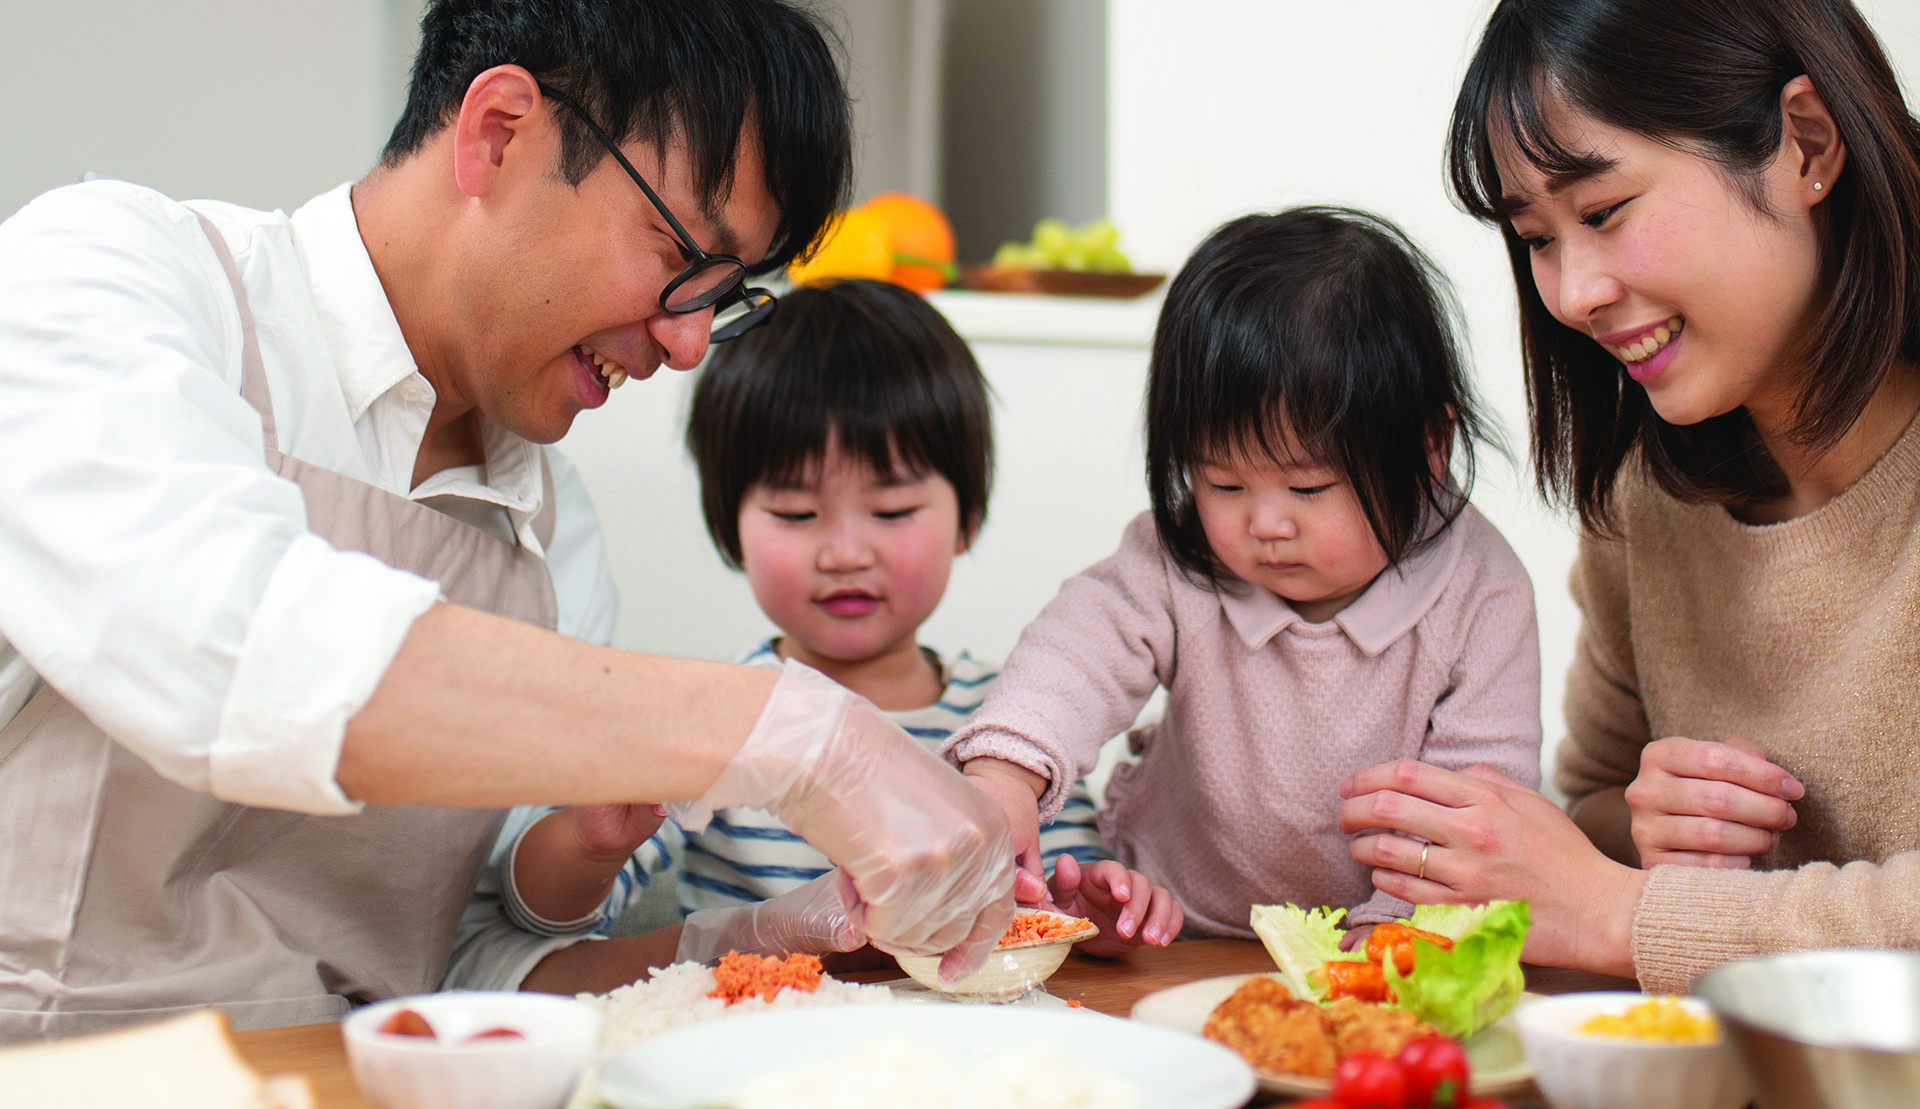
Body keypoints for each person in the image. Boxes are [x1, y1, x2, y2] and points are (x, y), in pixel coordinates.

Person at [0, 0, 1017, 1038]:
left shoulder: (552, 533)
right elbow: (233, 645)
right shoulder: (111, 276)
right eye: (683, 255)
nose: (689, 345)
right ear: (498, 132)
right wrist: (796, 733)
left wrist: (762, 939)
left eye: (725, 294)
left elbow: (461, 964)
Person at [1337, 0, 1920, 994]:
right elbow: (1598, 793)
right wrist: (1646, 828)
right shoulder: (1651, 494)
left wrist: (1628, 912)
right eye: (1536, 237)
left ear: (1807, 145)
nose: (1570, 294)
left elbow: (1607, 904)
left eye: (1604, 212)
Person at [489, 279, 1171, 982]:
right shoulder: (721, 716)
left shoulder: (1012, 724)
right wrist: (589, 843)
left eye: (893, 510)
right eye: (796, 514)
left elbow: (1063, 901)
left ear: (966, 518)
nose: (845, 552)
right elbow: (543, 917)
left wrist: (1101, 906)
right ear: (732, 528)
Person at [946, 208, 1544, 942]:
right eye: (1224, 484)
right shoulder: (1181, 558)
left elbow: (1478, 802)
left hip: (1386, 936)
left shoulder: (1482, 591)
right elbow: (1078, 650)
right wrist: (1007, 771)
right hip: (1176, 922)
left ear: (1427, 445)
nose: (1265, 524)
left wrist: (1396, 931)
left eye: (1308, 489)